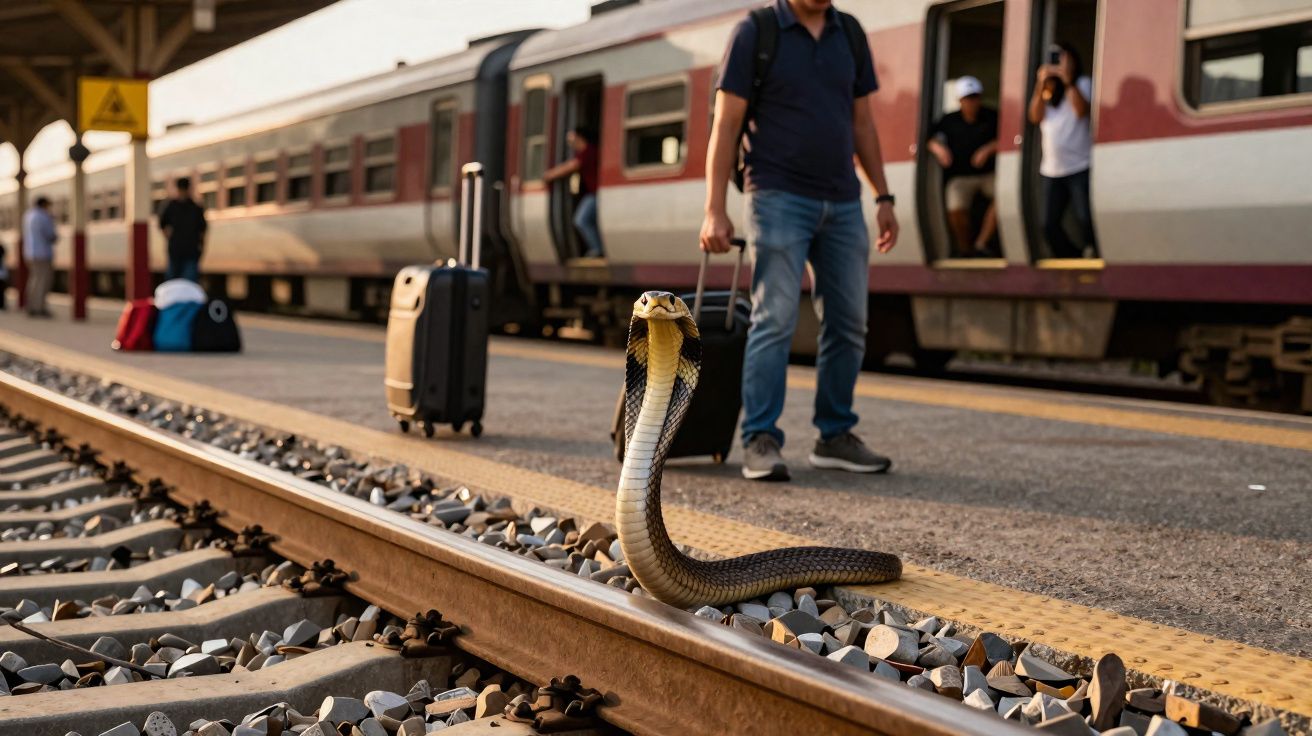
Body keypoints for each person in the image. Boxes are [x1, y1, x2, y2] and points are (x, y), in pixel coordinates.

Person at [701, 0, 899, 482]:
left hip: (843, 201)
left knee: (850, 322)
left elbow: (863, 124)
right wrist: (714, 209)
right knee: (775, 318)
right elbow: (726, 124)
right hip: (777, 196)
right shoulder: (757, 31)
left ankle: (834, 436)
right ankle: (761, 438)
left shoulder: (848, 32)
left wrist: (884, 196)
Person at [1028, 42, 1097, 259]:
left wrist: (1068, 81)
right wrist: (1041, 83)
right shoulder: (1048, 90)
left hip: (1080, 165)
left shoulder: (1083, 83)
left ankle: (1093, 252)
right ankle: (1070, 257)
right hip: (1052, 170)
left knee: (1085, 218)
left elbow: (1080, 111)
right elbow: (1034, 117)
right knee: (1048, 224)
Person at [927, 76, 999, 257]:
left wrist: (988, 149)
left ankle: (981, 243)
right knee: (955, 207)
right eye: (968, 98)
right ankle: (965, 250)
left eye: (975, 97)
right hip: (961, 177)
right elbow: (929, 138)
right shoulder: (949, 120)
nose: (972, 102)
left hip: (988, 174)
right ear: (960, 100)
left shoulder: (992, 116)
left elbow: (1008, 138)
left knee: (1005, 196)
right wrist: (939, 149)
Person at [543, 126, 604, 258]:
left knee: (581, 220)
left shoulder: (589, 152)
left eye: (571, 139)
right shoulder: (585, 153)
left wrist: (549, 175)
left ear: (579, 137)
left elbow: (571, 166)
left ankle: (597, 249)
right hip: (594, 193)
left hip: (596, 194)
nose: (570, 143)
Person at [158, 177, 208, 281]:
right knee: (173, 279)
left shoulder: (195, 207)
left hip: (190, 250)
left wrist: (201, 246)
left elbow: (202, 229)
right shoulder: (172, 206)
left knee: (188, 280)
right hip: (176, 250)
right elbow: (162, 224)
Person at [22, 196, 56, 318]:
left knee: (33, 280)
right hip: (43, 253)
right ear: (44, 204)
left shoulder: (28, 215)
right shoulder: (43, 216)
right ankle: (39, 308)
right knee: (42, 282)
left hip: (30, 253)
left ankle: (31, 305)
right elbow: (50, 235)